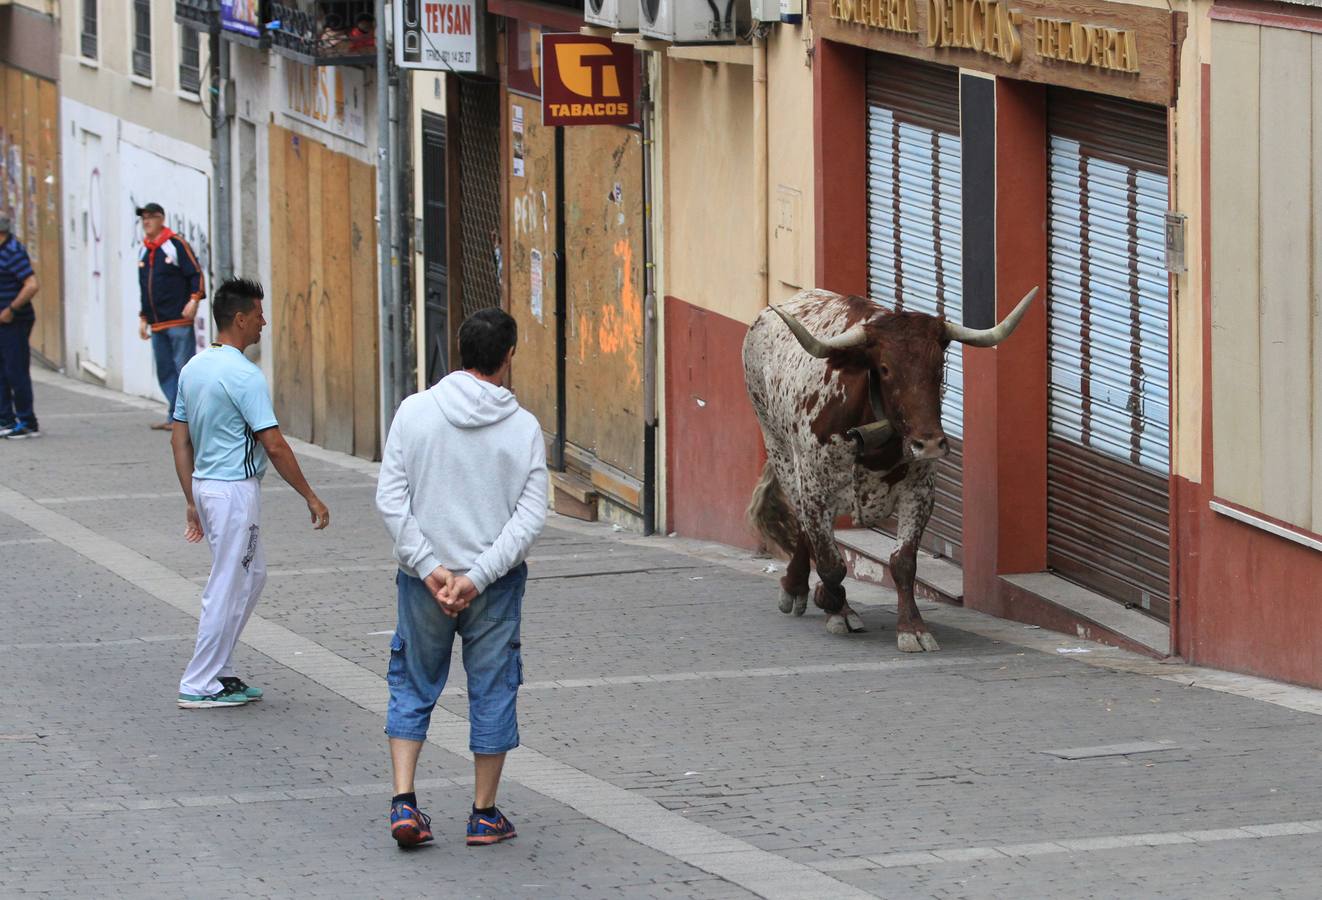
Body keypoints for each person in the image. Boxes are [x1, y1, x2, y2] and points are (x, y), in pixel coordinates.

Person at [376, 307, 547, 849]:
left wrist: (429, 569)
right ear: (509, 357)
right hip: (492, 587)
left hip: (422, 584)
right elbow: (530, 517)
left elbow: (390, 497)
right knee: (493, 689)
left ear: (460, 351)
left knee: (411, 683)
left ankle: (405, 803)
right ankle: (483, 814)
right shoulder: (523, 429)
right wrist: (475, 577)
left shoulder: (414, 412)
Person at [170, 278, 331, 709]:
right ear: (239, 319)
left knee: (251, 576)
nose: (263, 322)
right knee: (227, 583)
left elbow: (179, 440)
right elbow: (274, 443)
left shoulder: (193, 368)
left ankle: (219, 671)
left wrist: (191, 498)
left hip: (208, 487)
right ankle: (199, 682)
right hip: (233, 493)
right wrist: (311, 497)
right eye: (258, 314)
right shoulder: (244, 375)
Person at [137, 202, 205, 430]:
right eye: (143, 218)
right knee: (165, 369)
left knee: (183, 369)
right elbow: (144, 287)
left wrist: (194, 299)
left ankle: (186, 419)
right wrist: (143, 317)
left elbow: (195, 272)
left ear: (161, 219)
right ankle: (174, 416)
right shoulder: (144, 250)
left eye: (150, 217)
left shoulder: (175, 245)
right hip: (157, 323)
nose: (146, 222)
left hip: (177, 319)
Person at [0, 215, 40, 440]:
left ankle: (27, 421)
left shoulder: (12, 252)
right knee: (2, 372)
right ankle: (5, 419)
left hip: (14, 321)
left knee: (16, 371)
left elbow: (32, 284)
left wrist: (11, 310)